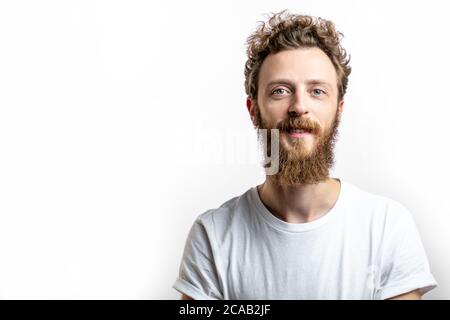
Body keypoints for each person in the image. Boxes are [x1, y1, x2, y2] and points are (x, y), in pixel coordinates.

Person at [173, 10, 437, 300]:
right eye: (280, 91)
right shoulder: (213, 236)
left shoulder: (387, 227)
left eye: (317, 91)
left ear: (339, 109)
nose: (299, 106)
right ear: (253, 110)